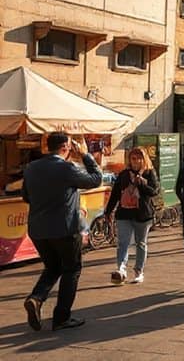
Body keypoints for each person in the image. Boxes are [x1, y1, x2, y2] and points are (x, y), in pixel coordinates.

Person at [22, 133, 101, 331]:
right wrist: (85, 155)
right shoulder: (66, 168)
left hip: (38, 229)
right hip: (65, 228)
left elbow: (26, 196)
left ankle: (36, 298)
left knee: (53, 267)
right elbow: (96, 179)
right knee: (71, 269)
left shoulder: (31, 168)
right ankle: (61, 317)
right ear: (65, 147)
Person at [104, 147, 159, 285]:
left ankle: (138, 271)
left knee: (140, 243)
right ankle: (121, 270)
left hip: (142, 214)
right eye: (133, 158)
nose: (136, 161)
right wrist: (108, 211)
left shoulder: (149, 173)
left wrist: (141, 184)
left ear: (144, 159)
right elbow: (115, 194)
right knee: (123, 242)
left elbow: (154, 191)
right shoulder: (124, 174)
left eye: (139, 158)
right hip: (124, 213)